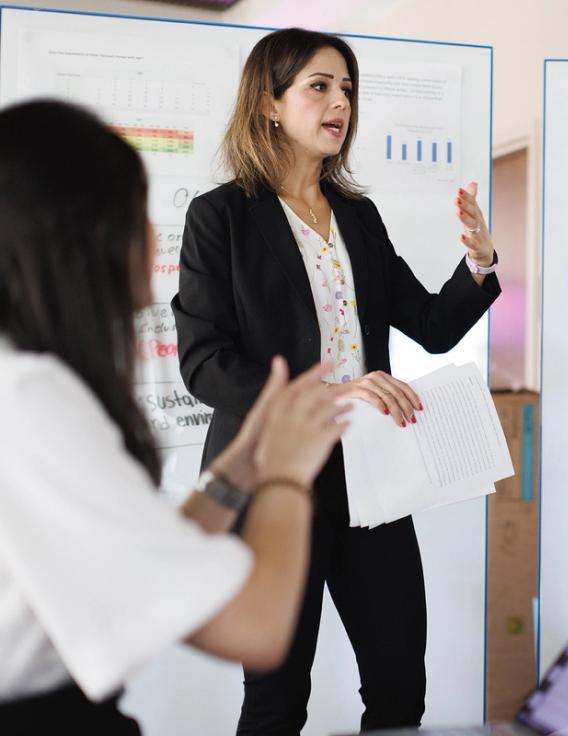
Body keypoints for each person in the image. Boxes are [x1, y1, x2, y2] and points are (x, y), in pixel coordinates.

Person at [170, 28, 500, 734]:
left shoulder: (358, 215)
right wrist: (332, 394)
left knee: (398, 688)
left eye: (346, 88)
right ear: (269, 104)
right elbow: (204, 362)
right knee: (277, 699)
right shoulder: (221, 217)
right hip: (273, 484)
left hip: (373, 477)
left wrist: (477, 262)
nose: (339, 102)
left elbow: (432, 325)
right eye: (319, 86)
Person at [0, 100, 349, 735]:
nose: (151, 239)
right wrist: (287, 476)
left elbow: (135, 562)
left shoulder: (25, 384)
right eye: (136, 215)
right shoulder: (28, 399)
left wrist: (238, 473)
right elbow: (257, 627)